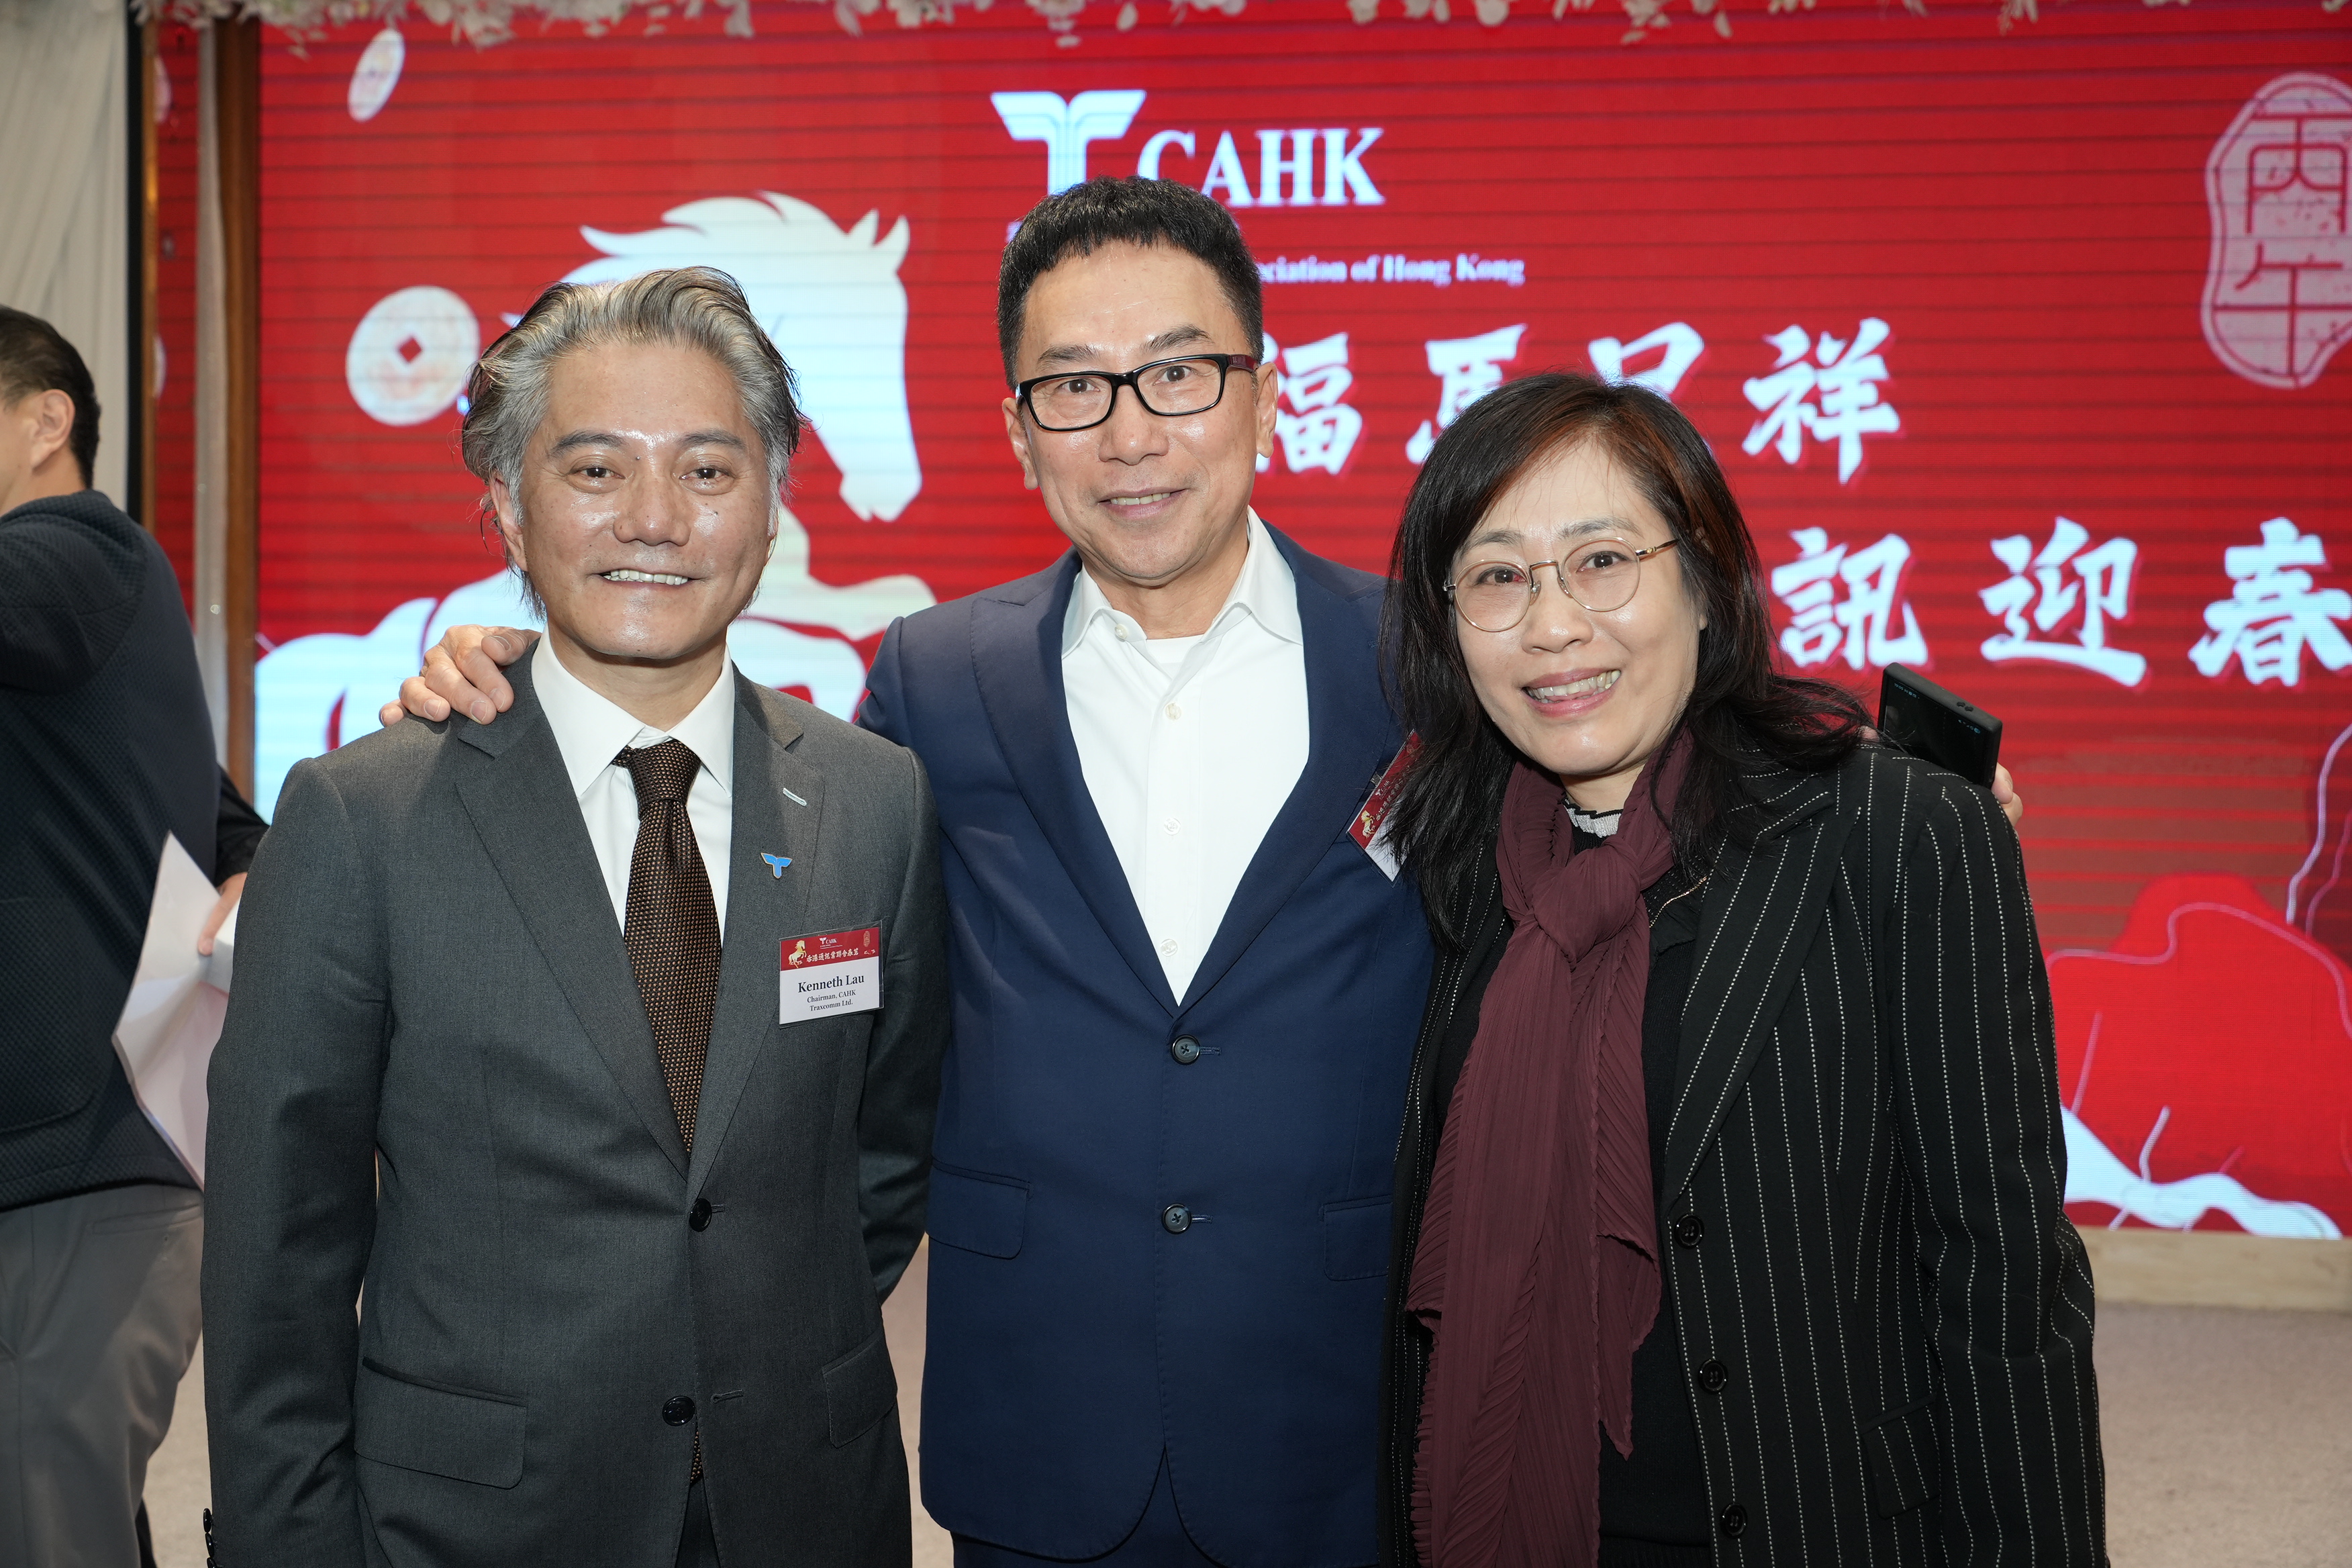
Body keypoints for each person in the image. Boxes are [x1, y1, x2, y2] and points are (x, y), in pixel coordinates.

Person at [389, 184, 2026, 1568]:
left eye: (1178, 373)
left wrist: (1874, 777)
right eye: (1074, 387)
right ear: (1018, 426)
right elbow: (816, 967)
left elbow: (1628, 730)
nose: (1132, 433)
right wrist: (527, 686)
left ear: (1263, 390)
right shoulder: (934, 682)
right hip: (1040, 1419)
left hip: (1338, 1411)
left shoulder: (1424, 657)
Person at [203, 268, 950, 1567]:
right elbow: (280, 1250)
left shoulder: (875, 799)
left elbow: (882, 1159)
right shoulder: (363, 817)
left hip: (805, 1503)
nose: (654, 519)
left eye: (709, 471)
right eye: (596, 469)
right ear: (508, 504)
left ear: (772, 505)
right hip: (476, 1520)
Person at [1374, 373, 2102, 1567]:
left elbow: (2005, 1278)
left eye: (1602, 561)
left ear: (1707, 582)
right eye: (1498, 578)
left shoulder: (1898, 834)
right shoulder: (1455, 858)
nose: (1553, 626)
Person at [1, 305, 264, 1568]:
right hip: (85, 1160)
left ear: (45, 421)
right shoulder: (90, 640)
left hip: (76, 1168)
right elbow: (228, 820)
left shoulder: (76, 551)